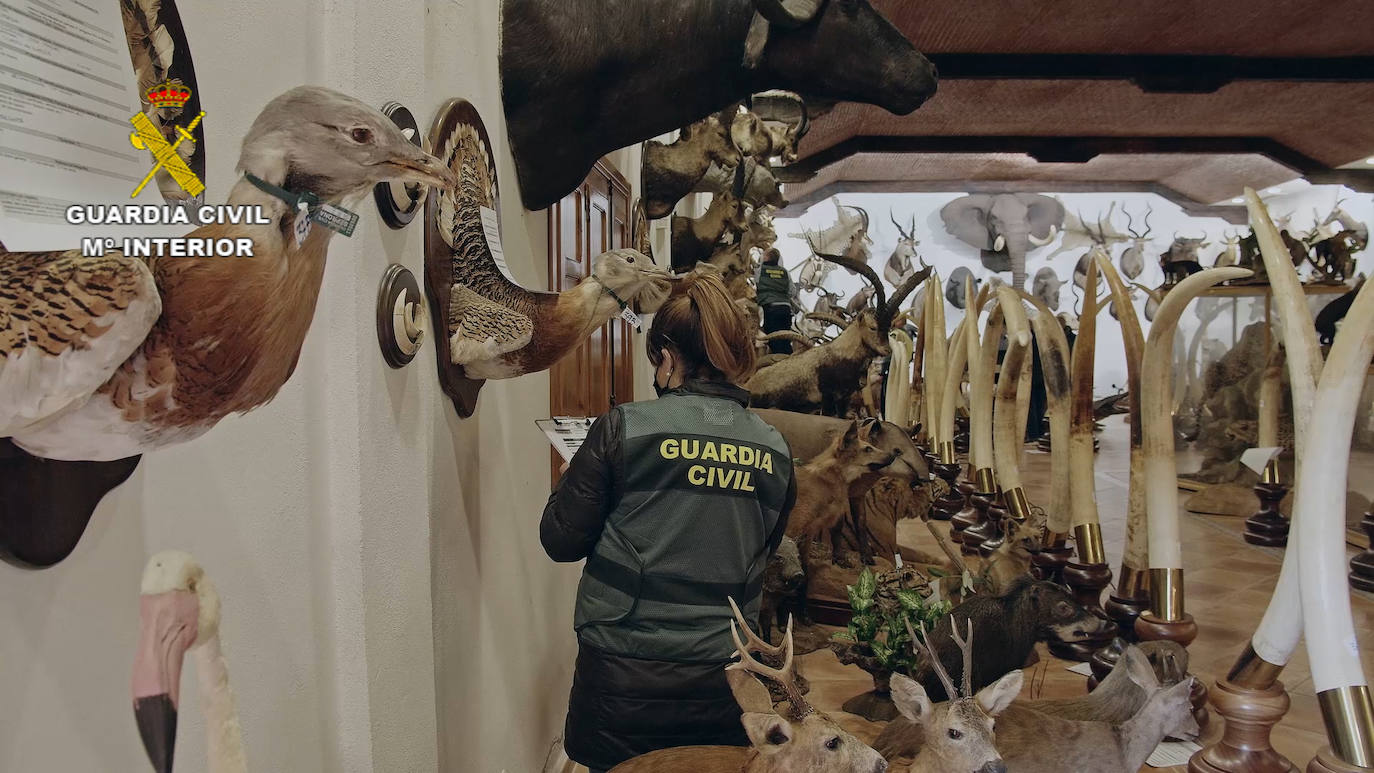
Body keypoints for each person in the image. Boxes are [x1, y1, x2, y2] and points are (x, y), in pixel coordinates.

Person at [541, 272, 797, 773]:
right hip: (725, 676)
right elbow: (761, 551)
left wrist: (573, 477)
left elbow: (560, 539)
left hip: (622, 673)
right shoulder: (774, 448)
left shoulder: (624, 428)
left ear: (667, 358)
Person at [754, 248, 795, 354]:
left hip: (771, 309)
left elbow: (755, 284)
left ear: (767, 258)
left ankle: (781, 365)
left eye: (764, 255)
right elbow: (792, 292)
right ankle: (789, 361)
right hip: (786, 310)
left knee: (773, 339)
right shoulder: (785, 272)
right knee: (784, 340)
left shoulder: (760, 271)